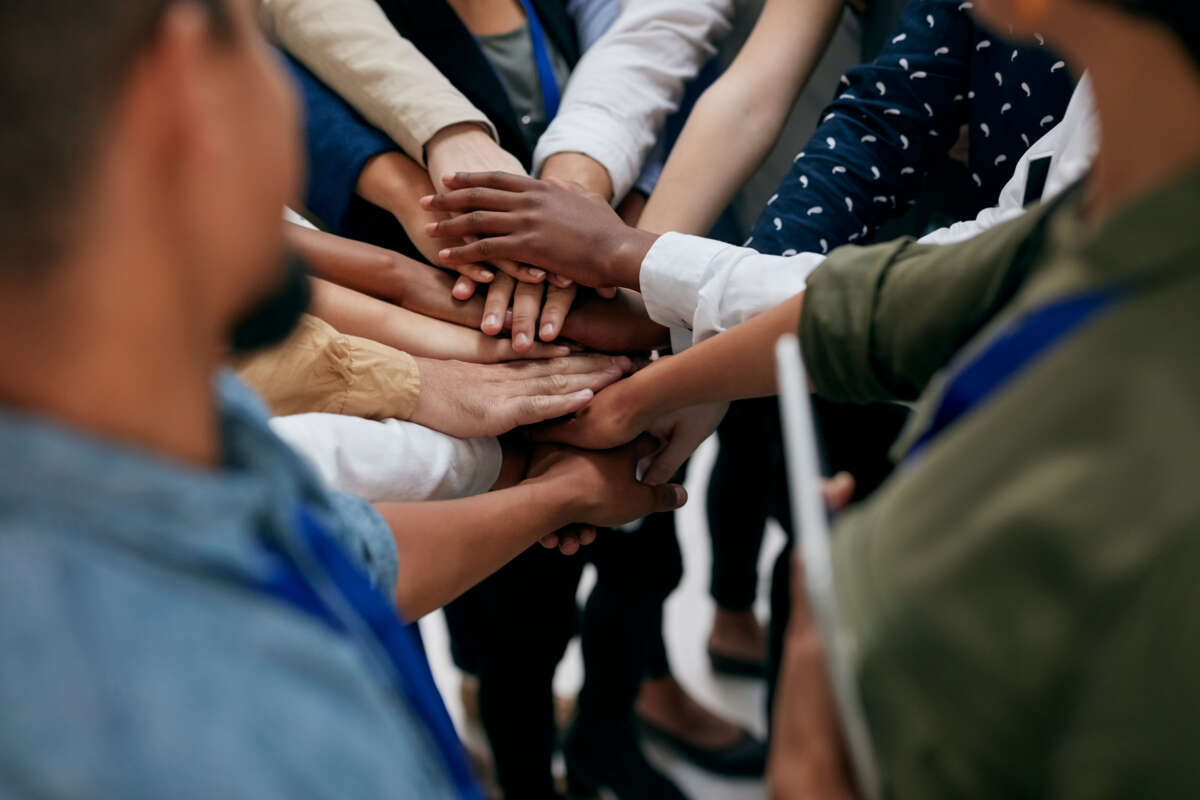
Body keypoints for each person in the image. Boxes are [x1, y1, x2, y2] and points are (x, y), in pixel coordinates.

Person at [430, 0, 1200, 794]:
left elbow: (937, 293)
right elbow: (900, 285)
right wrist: (650, 363)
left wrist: (806, 752)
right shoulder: (1104, 193)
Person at [0, 2, 690, 797]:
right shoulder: (267, 748)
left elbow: (326, 539)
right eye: (267, 50)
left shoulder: (156, 430)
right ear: (185, 89)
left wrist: (554, 488)